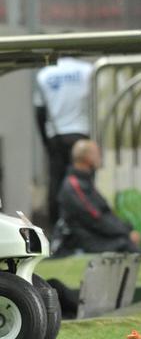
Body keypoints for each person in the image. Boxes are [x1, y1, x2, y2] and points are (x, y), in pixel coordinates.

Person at [53, 139, 141, 255]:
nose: (100, 157)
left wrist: (127, 229)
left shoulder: (84, 181)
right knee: (126, 245)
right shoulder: (74, 185)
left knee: (127, 244)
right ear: (87, 157)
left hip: (95, 237)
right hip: (82, 242)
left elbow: (105, 212)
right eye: (97, 153)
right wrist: (126, 233)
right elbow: (95, 218)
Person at [34, 56, 93, 225]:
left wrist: (46, 142)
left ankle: (57, 227)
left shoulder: (45, 74)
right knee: (84, 182)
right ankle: (84, 225)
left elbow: (39, 111)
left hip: (56, 135)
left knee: (56, 182)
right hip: (81, 133)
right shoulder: (86, 70)